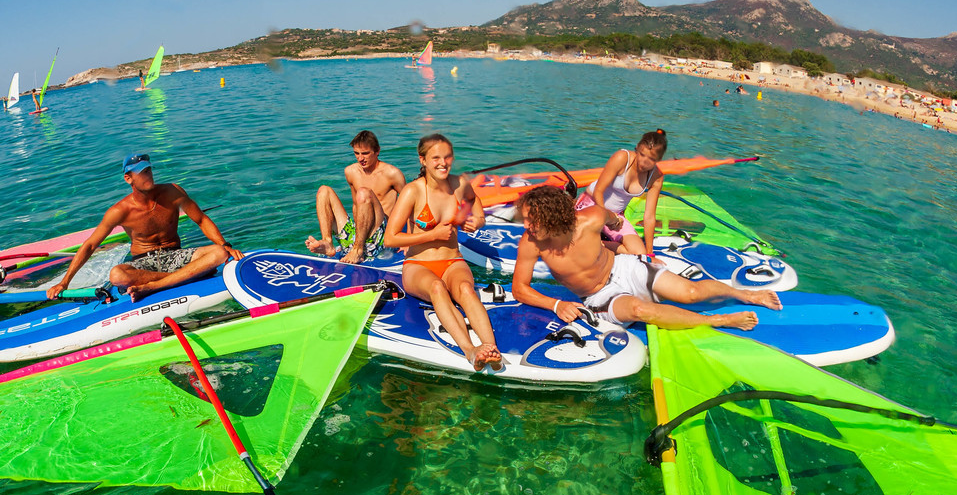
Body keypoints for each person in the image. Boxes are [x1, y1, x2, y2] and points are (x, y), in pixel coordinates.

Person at [509, 186, 780, 332]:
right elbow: (519, 288)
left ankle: (746, 295)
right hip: (599, 295)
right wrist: (556, 304)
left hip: (625, 268)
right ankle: (719, 321)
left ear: (552, 216)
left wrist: (624, 240)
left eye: (532, 220)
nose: (526, 226)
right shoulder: (531, 244)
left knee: (692, 292)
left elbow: (614, 220)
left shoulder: (590, 218)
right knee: (640, 311)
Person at [383, 134, 503, 371]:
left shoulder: (459, 185)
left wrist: (476, 221)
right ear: (423, 160)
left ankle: (490, 348)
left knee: (466, 290)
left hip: (453, 261)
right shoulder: (413, 191)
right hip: (418, 265)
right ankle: (470, 351)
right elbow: (390, 238)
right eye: (435, 157)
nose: (443, 163)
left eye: (447, 157)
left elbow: (475, 203)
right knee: (437, 289)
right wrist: (431, 235)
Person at [48, 154, 241, 300]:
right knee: (117, 274)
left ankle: (155, 286)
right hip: (144, 263)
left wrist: (226, 245)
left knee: (218, 253)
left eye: (148, 170)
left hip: (175, 255)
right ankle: (184, 276)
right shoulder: (120, 211)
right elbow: (90, 245)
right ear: (128, 178)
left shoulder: (173, 192)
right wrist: (64, 283)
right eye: (141, 173)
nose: (147, 176)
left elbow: (201, 220)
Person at [305, 130, 407, 263]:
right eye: (356, 153)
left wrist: (407, 241)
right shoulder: (351, 172)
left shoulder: (392, 174)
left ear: (377, 151)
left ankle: (358, 250)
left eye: (365, 153)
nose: (360, 158)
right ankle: (328, 242)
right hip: (356, 236)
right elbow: (356, 205)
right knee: (324, 191)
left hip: (379, 238)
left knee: (364, 192)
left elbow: (411, 205)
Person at [576, 129, 669, 256]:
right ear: (637, 148)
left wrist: (649, 254)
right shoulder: (622, 158)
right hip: (591, 205)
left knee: (638, 253)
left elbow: (649, 216)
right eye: (641, 154)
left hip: (616, 217)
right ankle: (588, 240)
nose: (643, 162)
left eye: (651, 159)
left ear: (659, 159)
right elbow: (598, 191)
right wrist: (607, 218)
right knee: (574, 240)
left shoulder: (656, 177)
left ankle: (597, 243)